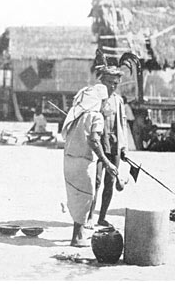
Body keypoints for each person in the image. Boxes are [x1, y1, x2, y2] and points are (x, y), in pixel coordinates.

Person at [62, 84, 118, 247]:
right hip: (84, 161)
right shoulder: (96, 116)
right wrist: (107, 162)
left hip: (69, 160)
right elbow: (93, 140)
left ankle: (78, 234)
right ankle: (77, 237)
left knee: (75, 195)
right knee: (86, 196)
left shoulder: (76, 115)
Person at [91, 66, 129, 227]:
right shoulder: (94, 98)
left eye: (115, 83)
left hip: (114, 145)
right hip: (98, 144)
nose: (112, 86)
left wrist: (124, 147)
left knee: (110, 181)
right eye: (109, 82)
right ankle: (89, 217)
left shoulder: (118, 100)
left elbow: (123, 124)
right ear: (101, 81)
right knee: (96, 181)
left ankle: (102, 216)